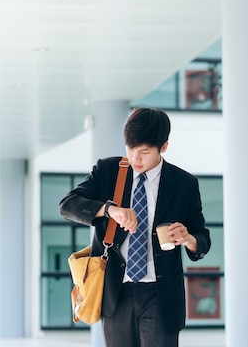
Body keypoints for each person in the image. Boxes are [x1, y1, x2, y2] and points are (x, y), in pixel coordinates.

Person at [59, 106, 211, 347]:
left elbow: (202, 237)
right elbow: (68, 205)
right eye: (130, 149)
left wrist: (189, 238)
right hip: (116, 293)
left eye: (144, 152)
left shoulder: (184, 184)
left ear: (163, 147)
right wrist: (110, 210)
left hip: (160, 295)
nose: (135, 159)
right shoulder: (109, 171)